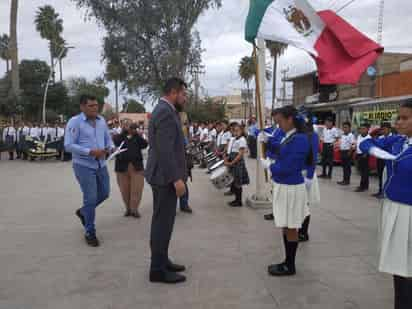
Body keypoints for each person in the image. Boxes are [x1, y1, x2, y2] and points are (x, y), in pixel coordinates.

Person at [360, 100, 412, 309]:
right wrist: (375, 150)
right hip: (393, 207)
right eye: (397, 117)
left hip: (409, 210)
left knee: (408, 263)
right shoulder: (398, 141)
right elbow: (365, 143)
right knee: (397, 261)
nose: (398, 122)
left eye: (404, 118)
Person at [145, 78, 188, 284]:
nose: (185, 98)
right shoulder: (165, 112)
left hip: (163, 176)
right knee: (162, 223)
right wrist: (176, 179)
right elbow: (165, 150)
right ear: (173, 92)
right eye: (184, 94)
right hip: (165, 177)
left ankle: (162, 260)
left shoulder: (166, 110)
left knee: (164, 221)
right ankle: (157, 270)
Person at [263, 106, 310, 276]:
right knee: (285, 224)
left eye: (279, 122)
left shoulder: (300, 139)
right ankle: (286, 261)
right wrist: (268, 141)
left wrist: (270, 166)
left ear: (290, 119)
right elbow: (281, 150)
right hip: (284, 186)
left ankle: (290, 265)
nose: (278, 126)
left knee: (290, 227)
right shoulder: (289, 136)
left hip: (291, 187)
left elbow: (289, 166)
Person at [64, 94, 114, 247]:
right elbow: (68, 145)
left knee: (105, 193)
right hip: (84, 165)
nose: (95, 108)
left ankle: (84, 211)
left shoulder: (101, 121)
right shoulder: (75, 122)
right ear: (82, 107)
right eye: (91, 106)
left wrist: (111, 147)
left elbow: (107, 138)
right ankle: (90, 231)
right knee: (90, 198)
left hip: (101, 164)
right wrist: (89, 151)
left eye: (96, 105)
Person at [114, 122, 148, 218]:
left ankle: (134, 209)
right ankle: (128, 208)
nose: (129, 128)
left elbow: (144, 144)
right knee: (124, 189)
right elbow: (116, 142)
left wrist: (136, 134)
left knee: (136, 189)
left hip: (136, 167)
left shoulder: (137, 137)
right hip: (122, 167)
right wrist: (123, 132)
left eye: (131, 127)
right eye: (127, 126)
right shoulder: (119, 137)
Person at [299, 117, 320, 242]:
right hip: (298, 173)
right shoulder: (298, 134)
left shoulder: (312, 136)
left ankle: (304, 232)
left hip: (306, 173)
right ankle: (299, 229)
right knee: (299, 203)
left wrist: (309, 177)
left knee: (304, 204)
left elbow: (313, 157)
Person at [224, 123, 250, 207]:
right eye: (234, 131)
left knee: (238, 182)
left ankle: (239, 201)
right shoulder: (235, 139)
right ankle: (236, 199)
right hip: (233, 161)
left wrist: (232, 162)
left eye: (237, 131)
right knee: (234, 181)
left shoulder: (242, 140)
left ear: (241, 131)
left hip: (237, 163)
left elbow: (240, 154)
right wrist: (228, 159)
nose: (235, 132)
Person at [373, 122, 392, 198]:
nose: (383, 131)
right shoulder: (380, 138)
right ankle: (380, 191)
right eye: (382, 129)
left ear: (389, 129)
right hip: (380, 159)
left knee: (389, 176)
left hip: (389, 160)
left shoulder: (394, 138)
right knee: (380, 175)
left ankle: (387, 192)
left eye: (385, 129)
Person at [337, 121, 356, 186]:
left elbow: (353, 145)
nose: (344, 129)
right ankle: (344, 179)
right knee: (344, 167)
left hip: (348, 152)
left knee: (347, 167)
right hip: (342, 152)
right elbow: (341, 143)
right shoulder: (342, 135)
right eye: (343, 127)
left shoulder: (351, 136)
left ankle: (347, 180)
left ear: (349, 128)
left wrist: (349, 153)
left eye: (346, 127)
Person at [355, 123, 371, 192]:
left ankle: (362, 186)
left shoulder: (369, 138)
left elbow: (369, 147)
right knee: (361, 171)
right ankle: (365, 185)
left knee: (364, 171)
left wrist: (365, 154)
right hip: (358, 154)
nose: (362, 130)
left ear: (368, 129)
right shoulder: (359, 136)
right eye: (361, 129)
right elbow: (357, 145)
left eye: (363, 129)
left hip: (364, 155)